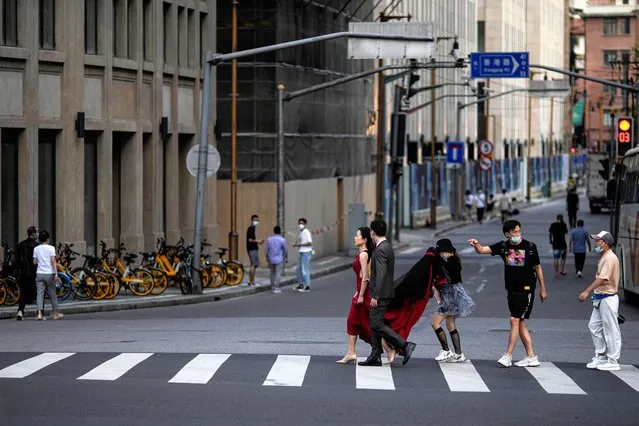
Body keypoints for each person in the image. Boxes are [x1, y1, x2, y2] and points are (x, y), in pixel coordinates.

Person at [468, 220, 548, 368]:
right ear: (507, 234)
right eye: (515, 232)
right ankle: (531, 356)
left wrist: (543, 289)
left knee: (514, 320)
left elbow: (538, 267)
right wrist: (476, 245)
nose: (518, 234)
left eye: (519, 230)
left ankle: (508, 355)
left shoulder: (530, 247)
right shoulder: (503, 246)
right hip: (512, 290)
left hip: (526, 289)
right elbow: (483, 250)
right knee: (520, 322)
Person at [358, 220, 416, 367]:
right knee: (373, 322)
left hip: (381, 293)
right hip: (385, 292)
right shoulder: (387, 246)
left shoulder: (381, 249)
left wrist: (375, 296)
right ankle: (375, 355)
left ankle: (404, 345)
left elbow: (382, 274)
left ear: (372, 232)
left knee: (376, 323)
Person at [337, 227, 395, 364]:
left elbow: (365, 277)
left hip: (364, 294)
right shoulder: (362, 253)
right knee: (358, 323)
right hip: (361, 292)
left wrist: (361, 295)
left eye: (357, 236)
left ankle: (388, 349)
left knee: (367, 324)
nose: (355, 238)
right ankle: (352, 352)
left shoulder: (364, 255)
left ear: (364, 239)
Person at [578, 231, 621, 371]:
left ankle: (613, 360)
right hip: (601, 298)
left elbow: (602, 279)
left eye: (598, 241)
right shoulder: (604, 256)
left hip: (608, 298)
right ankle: (601, 355)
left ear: (605, 243)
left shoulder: (609, 258)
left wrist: (586, 291)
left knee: (611, 330)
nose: (595, 243)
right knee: (594, 326)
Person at [430, 239, 475, 363]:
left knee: (435, 323)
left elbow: (450, 274)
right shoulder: (451, 259)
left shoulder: (452, 261)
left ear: (445, 250)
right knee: (450, 325)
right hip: (451, 297)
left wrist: (438, 261)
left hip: (450, 297)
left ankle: (446, 351)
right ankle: (459, 354)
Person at [33, 230, 63, 321]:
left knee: (40, 294)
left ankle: (39, 314)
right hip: (49, 273)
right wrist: (56, 273)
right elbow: (53, 261)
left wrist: (40, 260)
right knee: (52, 294)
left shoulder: (36, 248)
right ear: (48, 239)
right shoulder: (51, 248)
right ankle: (55, 313)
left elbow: (34, 262)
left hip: (39, 273)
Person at [16, 226, 39, 320]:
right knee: (39, 292)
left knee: (23, 292)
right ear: (33, 234)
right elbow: (37, 260)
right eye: (36, 232)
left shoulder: (21, 244)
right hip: (34, 272)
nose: (37, 234)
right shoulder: (36, 245)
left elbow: (18, 259)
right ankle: (39, 313)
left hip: (23, 272)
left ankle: (20, 311)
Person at [264, 226, 288, 294]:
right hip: (279, 259)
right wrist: (286, 257)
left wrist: (267, 257)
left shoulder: (269, 239)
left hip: (271, 259)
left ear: (274, 231)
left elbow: (266, 249)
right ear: (280, 231)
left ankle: (272, 286)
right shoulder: (282, 240)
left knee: (272, 273)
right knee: (278, 273)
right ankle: (276, 287)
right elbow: (285, 250)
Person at [293, 218, 313, 292]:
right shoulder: (301, 232)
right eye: (299, 223)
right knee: (298, 270)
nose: (300, 225)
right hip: (302, 252)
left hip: (306, 252)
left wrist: (299, 244)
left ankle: (307, 286)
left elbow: (310, 243)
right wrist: (297, 244)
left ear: (305, 224)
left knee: (305, 270)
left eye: (302, 223)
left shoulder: (306, 232)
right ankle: (301, 284)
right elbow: (301, 242)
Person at [245, 214, 264, 286]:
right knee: (253, 265)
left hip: (253, 248)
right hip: (252, 249)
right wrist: (258, 241)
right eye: (255, 220)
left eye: (257, 220)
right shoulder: (250, 228)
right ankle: (252, 282)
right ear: (252, 220)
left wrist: (258, 241)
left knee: (253, 265)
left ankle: (251, 280)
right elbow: (250, 240)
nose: (256, 221)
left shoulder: (253, 229)